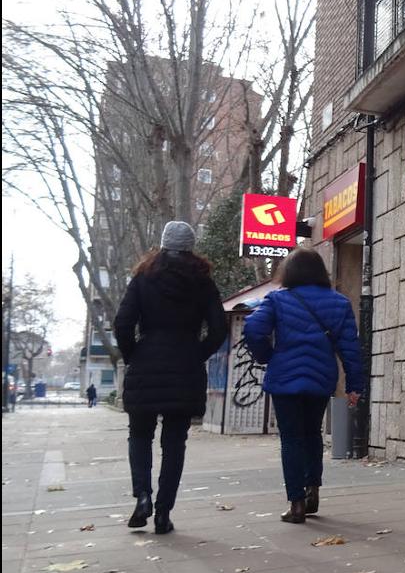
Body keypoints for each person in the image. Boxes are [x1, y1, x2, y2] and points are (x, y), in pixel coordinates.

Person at [114, 221, 227, 535]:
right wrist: (197, 353)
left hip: (146, 364)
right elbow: (219, 329)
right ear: (191, 247)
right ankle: (163, 513)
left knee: (139, 436)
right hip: (185, 366)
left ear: (163, 245)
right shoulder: (202, 282)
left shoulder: (143, 278)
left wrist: (133, 354)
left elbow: (123, 323)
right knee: (175, 442)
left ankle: (142, 496)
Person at [243, 248, 364, 524]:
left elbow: (253, 329)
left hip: (285, 378)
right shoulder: (339, 303)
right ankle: (313, 492)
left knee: (291, 439)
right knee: (312, 434)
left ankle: (296, 503)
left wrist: (266, 355)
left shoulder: (277, 299)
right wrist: (354, 385)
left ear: (290, 272)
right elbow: (350, 348)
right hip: (321, 378)